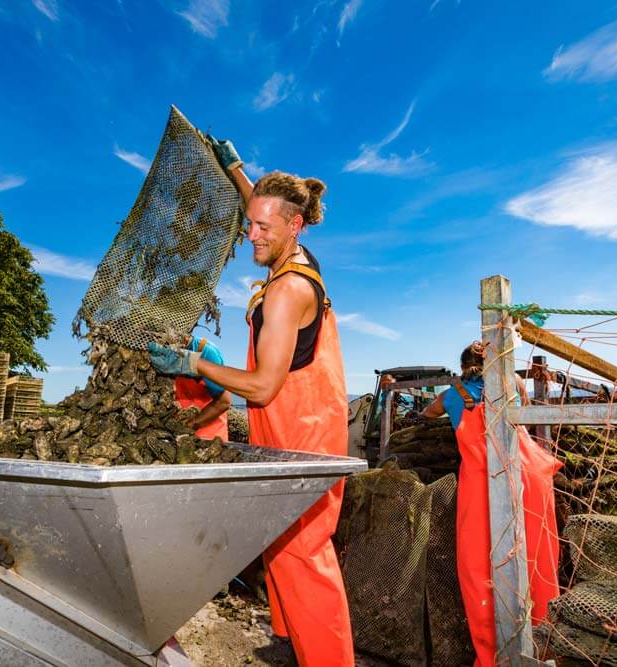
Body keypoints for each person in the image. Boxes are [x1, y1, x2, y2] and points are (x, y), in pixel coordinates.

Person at [147, 137, 353, 667]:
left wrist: (194, 365)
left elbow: (261, 386)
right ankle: (290, 643)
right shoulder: (289, 241)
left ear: (294, 226)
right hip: (284, 424)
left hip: (305, 433)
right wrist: (237, 170)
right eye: (250, 222)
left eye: (262, 228)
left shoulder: (288, 290)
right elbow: (260, 205)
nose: (250, 234)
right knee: (278, 540)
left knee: (305, 551)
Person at [418, 342, 560, 667]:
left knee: (479, 565)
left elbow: (425, 414)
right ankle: (542, 646)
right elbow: (522, 403)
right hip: (530, 474)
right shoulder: (512, 382)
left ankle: (495, 654)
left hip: (483, 480)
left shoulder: (452, 393)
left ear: (462, 364)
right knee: (538, 557)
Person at [175, 335, 231, 440]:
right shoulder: (162, 351)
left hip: (211, 437)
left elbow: (223, 402)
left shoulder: (206, 351)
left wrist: (186, 427)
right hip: (178, 435)